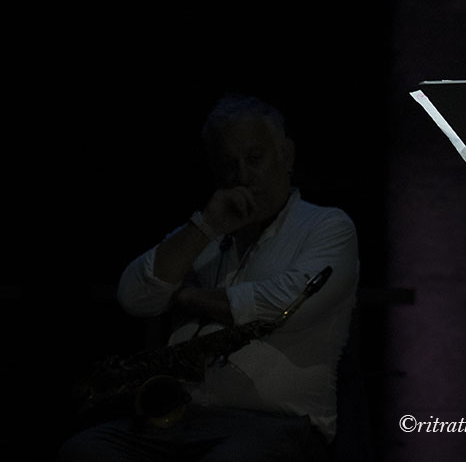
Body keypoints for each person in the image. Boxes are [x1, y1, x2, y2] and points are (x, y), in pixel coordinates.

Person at [60, 94, 360, 461]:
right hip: (180, 419)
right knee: (83, 451)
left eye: (254, 158)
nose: (243, 177)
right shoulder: (209, 229)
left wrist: (187, 298)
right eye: (228, 165)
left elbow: (290, 302)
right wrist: (208, 225)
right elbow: (134, 296)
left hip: (279, 425)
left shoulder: (327, 225)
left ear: (286, 155)